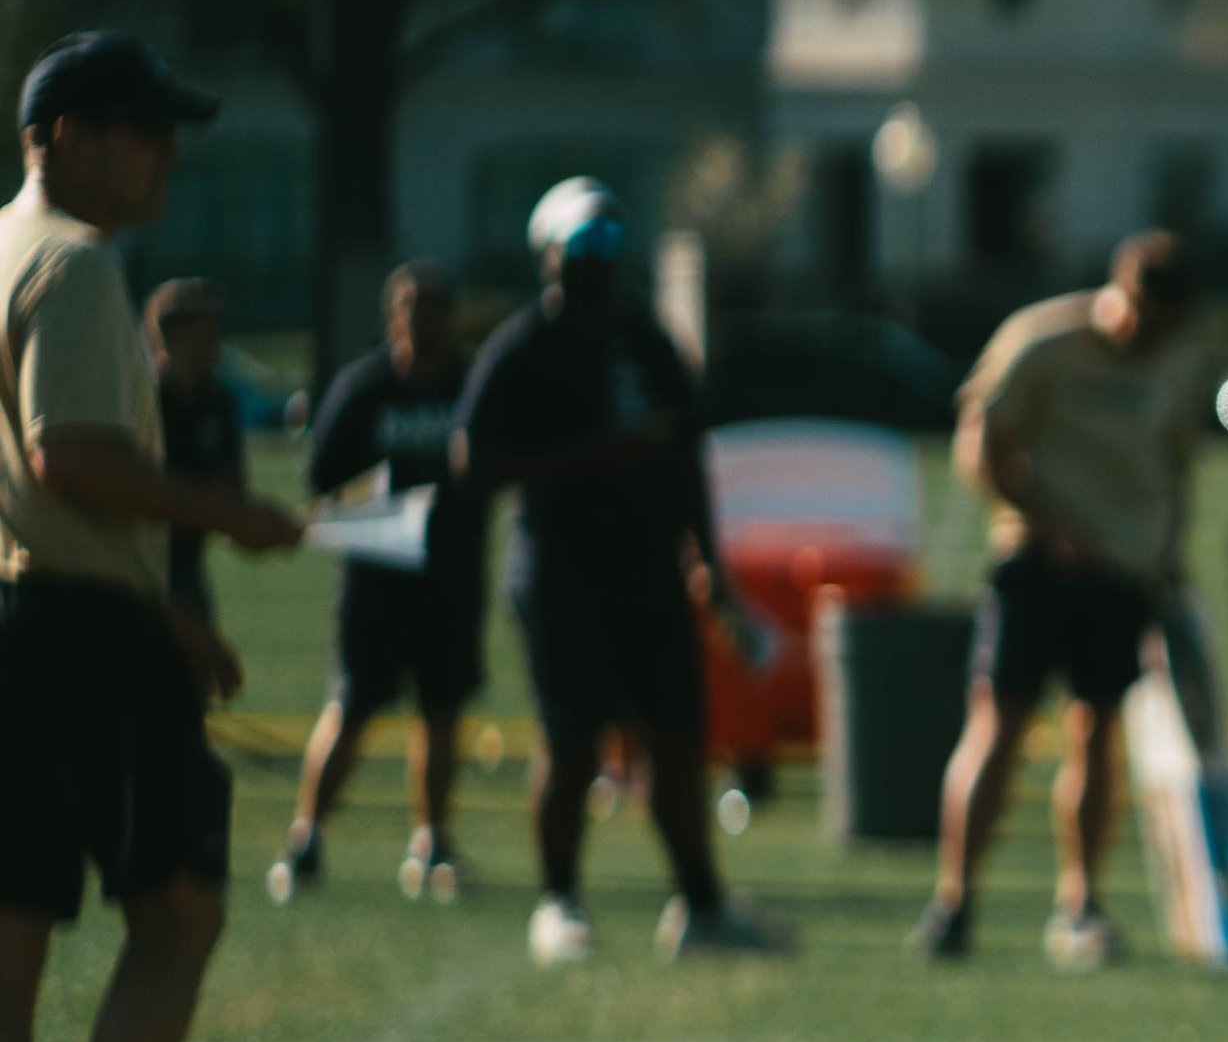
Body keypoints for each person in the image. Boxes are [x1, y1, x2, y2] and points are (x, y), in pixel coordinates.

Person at [1, 35, 304, 1042]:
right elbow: (69, 456)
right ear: (64, 132)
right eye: (144, 127)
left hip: (26, 616)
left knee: (10, 942)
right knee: (179, 910)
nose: (169, 153)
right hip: (76, 645)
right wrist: (220, 518)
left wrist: (169, 612)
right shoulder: (76, 263)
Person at [454, 179, 778, 968]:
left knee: (676, 740)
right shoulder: (524, 347)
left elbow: (688, 455)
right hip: (562, 575)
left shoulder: (648, 339)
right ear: (549, 256)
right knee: (571, 745)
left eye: (609, 244)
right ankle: (559, 899)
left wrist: (709, 560)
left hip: (651, 575)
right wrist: (591, 456)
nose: (600, 260)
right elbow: (473, 462)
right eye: (583, 245)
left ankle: (700, 904)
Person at [916, 232, 1208, 969]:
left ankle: (1079, 905)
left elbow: (1174, 471)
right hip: (1037, 562)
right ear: (1121, 291)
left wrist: (1165, 560)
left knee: (1096, 730)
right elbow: (979, 443)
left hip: (1125, 572)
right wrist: (1050, 527)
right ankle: (954, 900)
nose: (1151, 334)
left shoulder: (1179, 361)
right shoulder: (1044, 339)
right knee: (999, 722)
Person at [272, 261, 484, 903]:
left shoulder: (468, 385)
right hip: (377, 582)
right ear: (394, 317)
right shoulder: (364, 389)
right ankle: (306, 838)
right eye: (415, 307)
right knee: (354, 706)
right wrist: (388, 505)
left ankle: (432, 841)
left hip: (449, 579)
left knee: (442, 712)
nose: (426, 321)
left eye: (438, 308)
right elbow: (321, 480)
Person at [144, 278, 245, 625]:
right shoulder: (141, 401)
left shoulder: (219, 404)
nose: (215, 340)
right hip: (136, 565)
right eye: (205, 329)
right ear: (173, 334)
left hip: (188, 565)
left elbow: (232, 487)